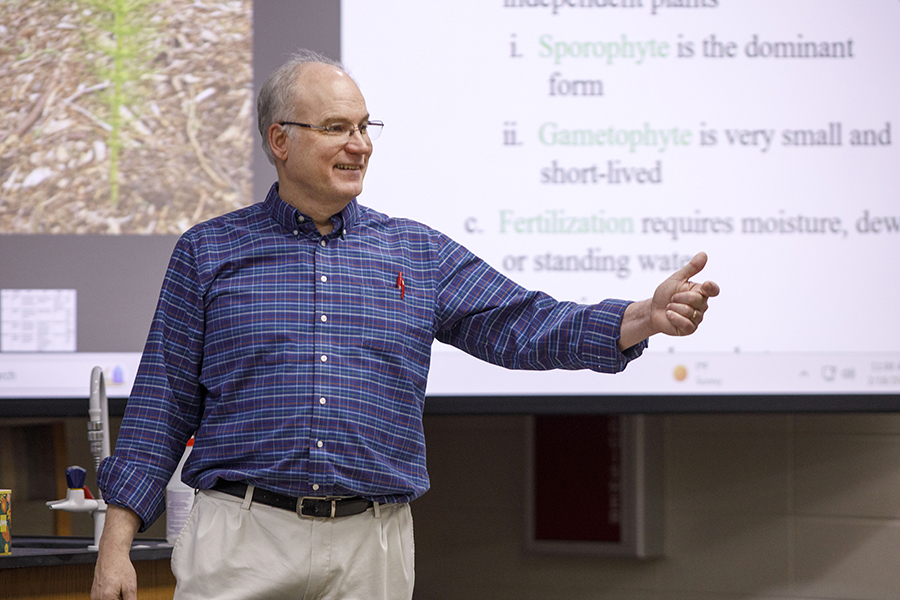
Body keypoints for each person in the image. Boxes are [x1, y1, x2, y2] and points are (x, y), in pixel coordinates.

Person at [91, 50, 719, 600]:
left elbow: (525, 323)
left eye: (365, 127)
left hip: (374, 543)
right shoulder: (210, 251)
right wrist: (116, 546)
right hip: (241, 537)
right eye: (336, 128)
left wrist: (644, 317)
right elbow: (162, 401)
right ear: (280, 140)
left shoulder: (417, 254)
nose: (359, 144)